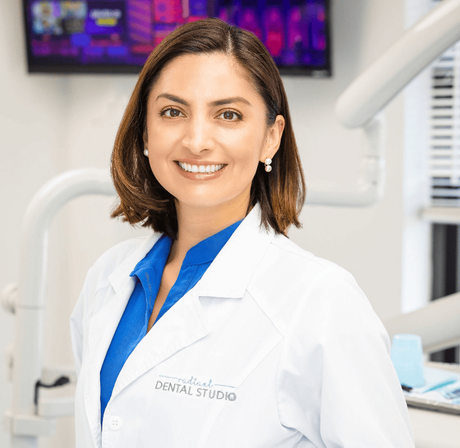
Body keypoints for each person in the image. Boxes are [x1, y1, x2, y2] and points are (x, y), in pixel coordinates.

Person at [70, 18, 415, 448]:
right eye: (172, 112)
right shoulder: (108, 278)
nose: (196, 140)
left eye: (228, 115)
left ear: (271, 138)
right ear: (144, 132)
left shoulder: (321, 301)